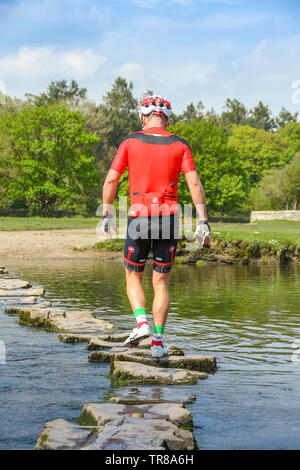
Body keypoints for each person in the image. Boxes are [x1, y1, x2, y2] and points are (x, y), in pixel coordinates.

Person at [101, 95, 211, 358]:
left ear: (143, 117)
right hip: (170, 215)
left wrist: (107, 213)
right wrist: (202, 221)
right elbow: (194, 184)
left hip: (139, 214)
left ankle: (141, 325)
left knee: (132, 274)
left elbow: (112, 180)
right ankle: (158, 344)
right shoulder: (180, 144)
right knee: (161, 282)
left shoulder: (130, 140)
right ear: (167, 119)